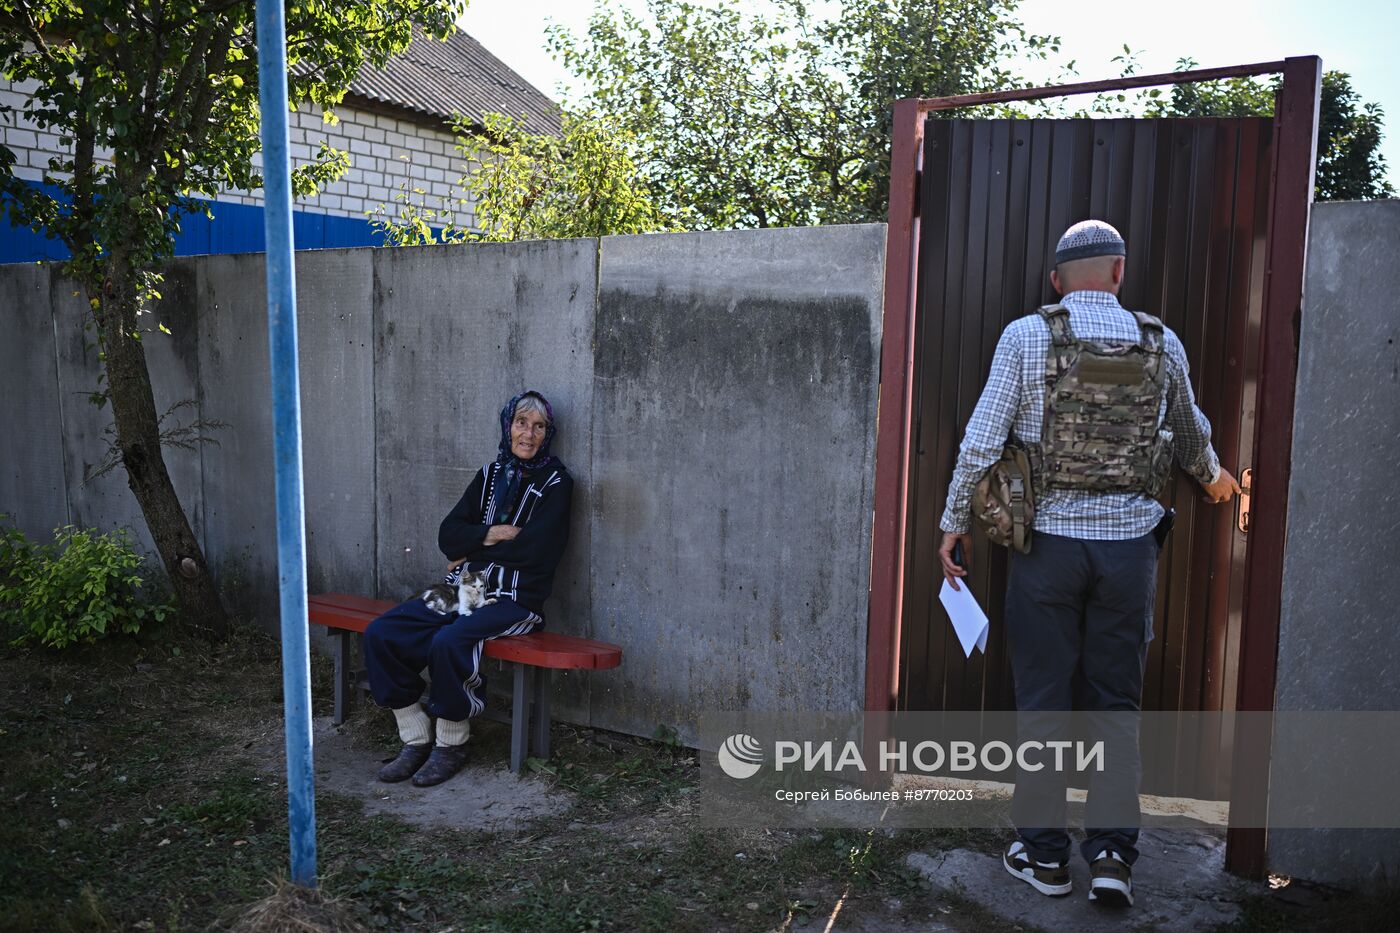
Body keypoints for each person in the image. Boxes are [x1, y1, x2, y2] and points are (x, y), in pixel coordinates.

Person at [937, 220, 1240, 908]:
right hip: (1129, 554)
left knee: (1043, 704)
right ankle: (1110, 856)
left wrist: (955, 522)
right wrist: (1218, 480)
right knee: (1116, 707)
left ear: (1056, 281)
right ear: (1119, 271)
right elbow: (1190, 437)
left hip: (1046, 550)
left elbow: (981, 442)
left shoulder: (1026, 336)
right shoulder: (1162, 344)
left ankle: (1045, 857)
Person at [363, 390, 573, 787]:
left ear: (548, 434)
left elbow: (537, 553)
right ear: (508, 426)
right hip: (465, 589)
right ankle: (415, 736)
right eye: (521, 423)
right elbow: (448, 535)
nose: (528, 434)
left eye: (539, 426)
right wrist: (495, 533)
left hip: (515, 599)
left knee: (450, 641)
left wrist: (471, 547)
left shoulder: (558, 483)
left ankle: (451, 743)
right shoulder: (490, 475)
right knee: (384, 632)